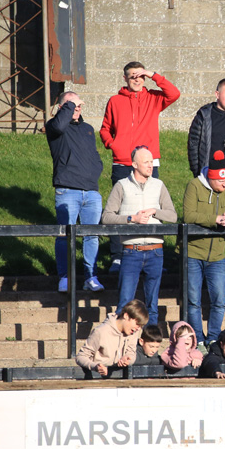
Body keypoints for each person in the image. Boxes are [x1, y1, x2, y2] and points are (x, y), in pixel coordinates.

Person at [100, 62, 180, 272]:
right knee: (121, 209)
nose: (137, 79)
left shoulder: (154, 98)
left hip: (148, 163)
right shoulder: (115, 101)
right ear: (125, 78)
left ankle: (153, 255)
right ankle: (118, 256)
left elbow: (174, 93)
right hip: (122, 162)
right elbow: (105, 128)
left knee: (151, 206)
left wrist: (153, 74)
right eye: (132, 76)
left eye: (140, 76)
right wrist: (113, 145)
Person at [101, 146, 177, 326]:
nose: (151, 166)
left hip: (155, 251)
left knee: (153, 305)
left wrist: (155, 211)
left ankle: (150, 340)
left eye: (152, 162)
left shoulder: (158, 185)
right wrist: (131, 218)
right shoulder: (121, 185)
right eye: (146, 162)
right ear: (134, 164)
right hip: (131, 250)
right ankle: (119, 339)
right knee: (124, 303)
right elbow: (107, 217)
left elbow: (173, 216)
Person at [183, 151, 225, 348]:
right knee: (193, 301)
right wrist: (216, 220)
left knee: (219, 301)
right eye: (221, 181)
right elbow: (188, 215)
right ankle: (198, 339)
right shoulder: (194, 185)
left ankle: (213, 338)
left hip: (218, 255)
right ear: (210, 178)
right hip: (193, 253)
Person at [45, 91, 104, 293]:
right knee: (65, 235)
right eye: (72, 105)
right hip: (67, 191)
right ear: (62, 108)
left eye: (79, 105)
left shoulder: (87, 129)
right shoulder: (54, 126)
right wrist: (70, 105)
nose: (77, 108)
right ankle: (65, 278)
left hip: (91, 191)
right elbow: (59, 125)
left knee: (91, 236)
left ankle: (91, 277)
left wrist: (96, 169)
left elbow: (93, 155)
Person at [76, 299, 148, 376]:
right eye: (137, 324)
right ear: (126, 316)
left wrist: (128, 358)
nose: (138, 329)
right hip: (97, 377)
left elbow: (131, 352)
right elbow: (81, 357)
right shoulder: (101, 332)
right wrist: (95, 366)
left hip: (120, 376)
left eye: (141, 326)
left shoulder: (133, 332)